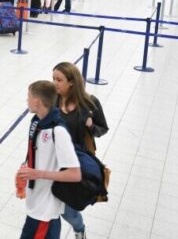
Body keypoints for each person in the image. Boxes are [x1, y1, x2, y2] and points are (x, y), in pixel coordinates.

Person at [15, 80, 81, 239]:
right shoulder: (36, 122)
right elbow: (36, 154)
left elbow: (75, 174)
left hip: (45, 211)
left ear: (37, 101)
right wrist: (25, 170)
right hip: (36, 205)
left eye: (29, 96)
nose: (26, 100)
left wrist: (37, 173)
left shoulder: (58, 131)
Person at [52, 62, 109, 239]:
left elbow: (102, 129)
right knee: (51, 210)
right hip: (53, 161)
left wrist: (91, 126)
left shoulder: (89, 103)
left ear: (71, 82)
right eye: (53, 78)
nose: (54, 83)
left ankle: (80, 230)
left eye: (59, 80)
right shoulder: (52, 100)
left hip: (76, 165)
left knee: (69, 212)